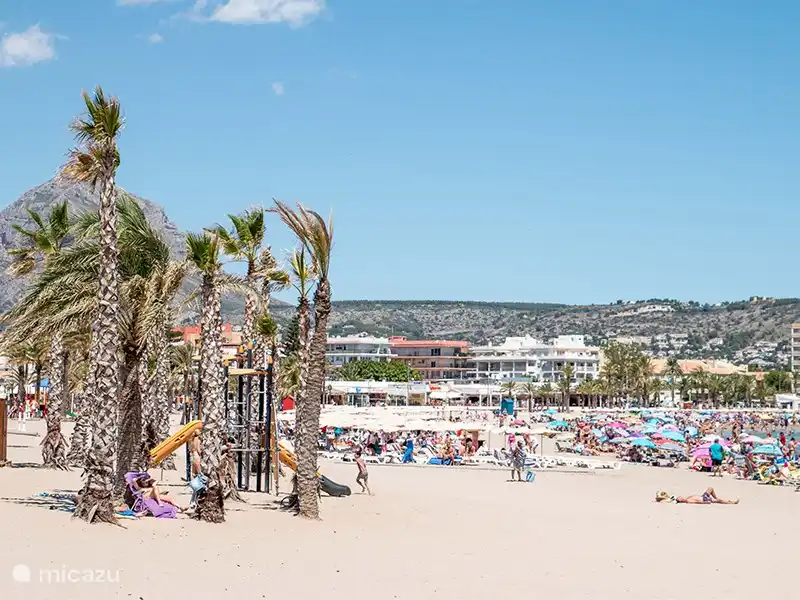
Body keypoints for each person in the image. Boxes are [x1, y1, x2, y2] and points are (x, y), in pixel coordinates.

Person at [655, 488, 738, 505]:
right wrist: (706, 502)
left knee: (710, 488)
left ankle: (716, 498)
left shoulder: (687, 499)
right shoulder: (688, 501)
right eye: (679, 498)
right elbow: (698, 502)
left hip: (703, 496)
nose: (680, 497)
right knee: (719, 501)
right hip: (704, 499)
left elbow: (667, 498)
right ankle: (732, 502)